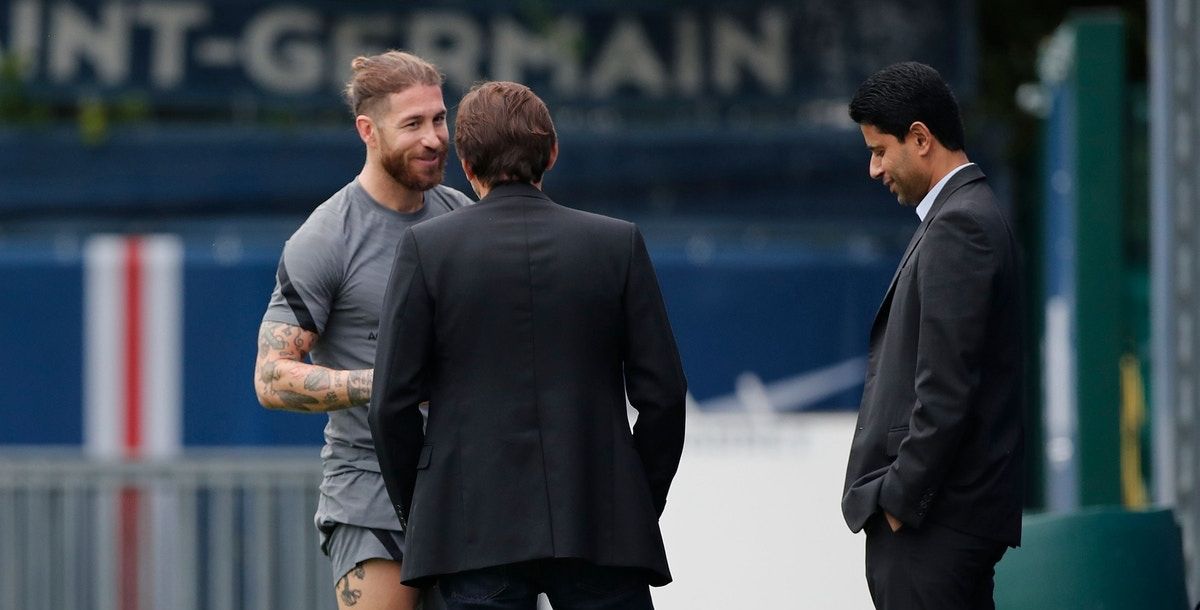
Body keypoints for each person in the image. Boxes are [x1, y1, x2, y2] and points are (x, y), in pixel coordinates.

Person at [369, 81, 687, 610]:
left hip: (472, 533)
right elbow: (664, 396)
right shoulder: (617, 244)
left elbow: (389, 406)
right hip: (600, 528)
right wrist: (633, 502)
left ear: (465, 163)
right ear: (552, 153)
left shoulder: (427, 249)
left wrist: (427, 513)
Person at [254, 50, 471, 610]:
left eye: (439, 119)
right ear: (368, 132)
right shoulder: (327, 237)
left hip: (470, 485)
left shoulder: (462, 216)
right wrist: (387, 382)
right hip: (371, 489)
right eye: (413, 124)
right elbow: (271, 379)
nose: (434, 138)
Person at [841, 61, 1024, 610]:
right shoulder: (964, 215)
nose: (874, 169)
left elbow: (945, 388)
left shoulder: (960, 225)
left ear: (920, 139)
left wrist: (899, 500)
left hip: (934, 526)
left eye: (880, 151)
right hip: (944, 523)